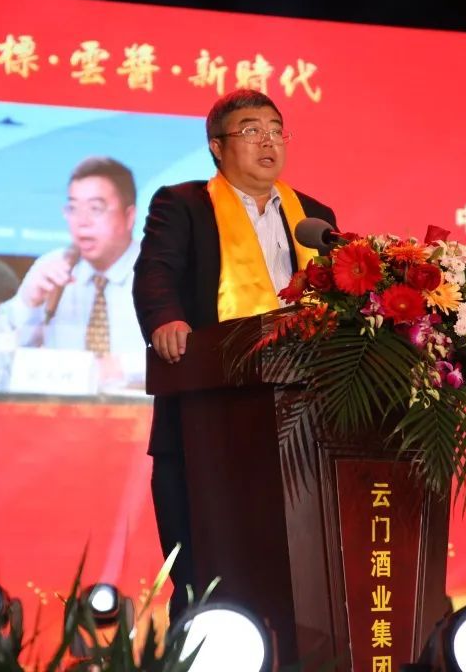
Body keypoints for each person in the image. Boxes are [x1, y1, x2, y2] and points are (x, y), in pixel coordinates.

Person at [133, 90, 338, 618]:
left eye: (275, 129)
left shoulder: (315, 219)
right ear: (217, 147)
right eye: (251, 130)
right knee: (206, 579)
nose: (268, 141)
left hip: (303, 425)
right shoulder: (184, 205)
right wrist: (166, 319)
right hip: (205, 419)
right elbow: (155, 271)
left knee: (298, 577)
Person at [0, 156, 147, 392]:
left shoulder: (166, 272)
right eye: (73, 208)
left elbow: (193, 357)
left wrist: (121, 368)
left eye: (95, 209)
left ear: (129, 216)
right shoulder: (53, 268)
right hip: (59, 412)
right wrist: (26, 303)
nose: (82, 221)